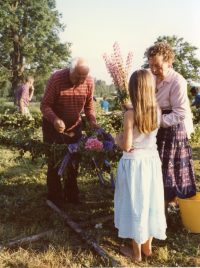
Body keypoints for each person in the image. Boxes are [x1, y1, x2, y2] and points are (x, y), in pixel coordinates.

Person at [115, 69, 166, 262]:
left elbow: (127, 146)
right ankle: (147, 247)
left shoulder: (130, 115)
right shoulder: (156, 110)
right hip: (151, 162)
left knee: (135, 203)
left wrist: (117, 137)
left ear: (133, 89)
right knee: (151, 201)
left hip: (134, 163)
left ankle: (135, 253)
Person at [40, 57, 101, 208]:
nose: (81, 80)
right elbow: (45, 105)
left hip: (74, 128)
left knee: (74, 162)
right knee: (55, 161)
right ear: (70, 71)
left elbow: (89, 106)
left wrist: (92, 120)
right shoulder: (56, 79)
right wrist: (54, 120)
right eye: (77, 77)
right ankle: (55, 197)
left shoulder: (89, 81)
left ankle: (72, 196)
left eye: (84, 77)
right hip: (52, 127)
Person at [147, 42, 197, 219]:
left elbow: (181, 112)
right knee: (158, 167)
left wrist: (157, 122)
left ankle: (169, 208)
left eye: (158, 66)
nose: (153, 69)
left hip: (172, 129)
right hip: (157, 126)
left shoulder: (177, 81)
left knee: (169, 169)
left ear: (168, 62)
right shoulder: (151, 78)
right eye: (151, 65)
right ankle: (161, 207)